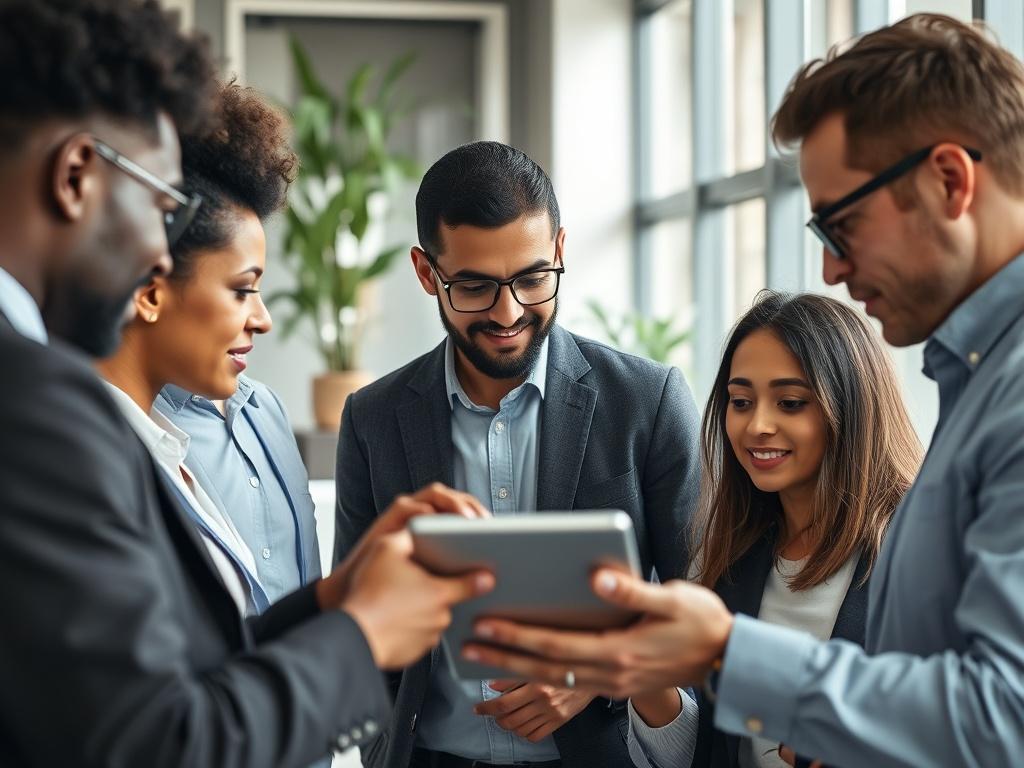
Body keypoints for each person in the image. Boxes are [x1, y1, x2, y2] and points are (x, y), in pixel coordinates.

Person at [458, 13, 1024, 767]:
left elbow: (1002, 719)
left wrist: (728, 651)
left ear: (950, 180)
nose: (831, 272)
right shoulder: (976, 380)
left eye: (841, 226)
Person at [0, 2, 491, 765]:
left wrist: (336, 601)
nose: (158, 257)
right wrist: (364, 637)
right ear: (75, 177)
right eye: (163, 205)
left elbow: (138, 695)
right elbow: (157, 747)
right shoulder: (33, 401)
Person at [334, 140, 702, 768]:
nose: (509, 314)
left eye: (533, 279)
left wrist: (596, 674)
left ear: (559, 251)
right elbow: (356, 624)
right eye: (474, 286)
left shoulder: (648, 401)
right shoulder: (373, 419)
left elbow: (702, 610)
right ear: (428, 274)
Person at [623, 291, 920, 768]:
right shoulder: (731, 551)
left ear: (852, 405)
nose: (757, 425)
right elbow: (708, 754)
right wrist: (647, 682)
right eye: (741, 401)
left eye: (790, 402)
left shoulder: (917, 552)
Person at [119, 80, 318, 612]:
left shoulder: (266, 412)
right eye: (241, 289)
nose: (263, 319)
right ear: (152, 287)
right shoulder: (116, 449)